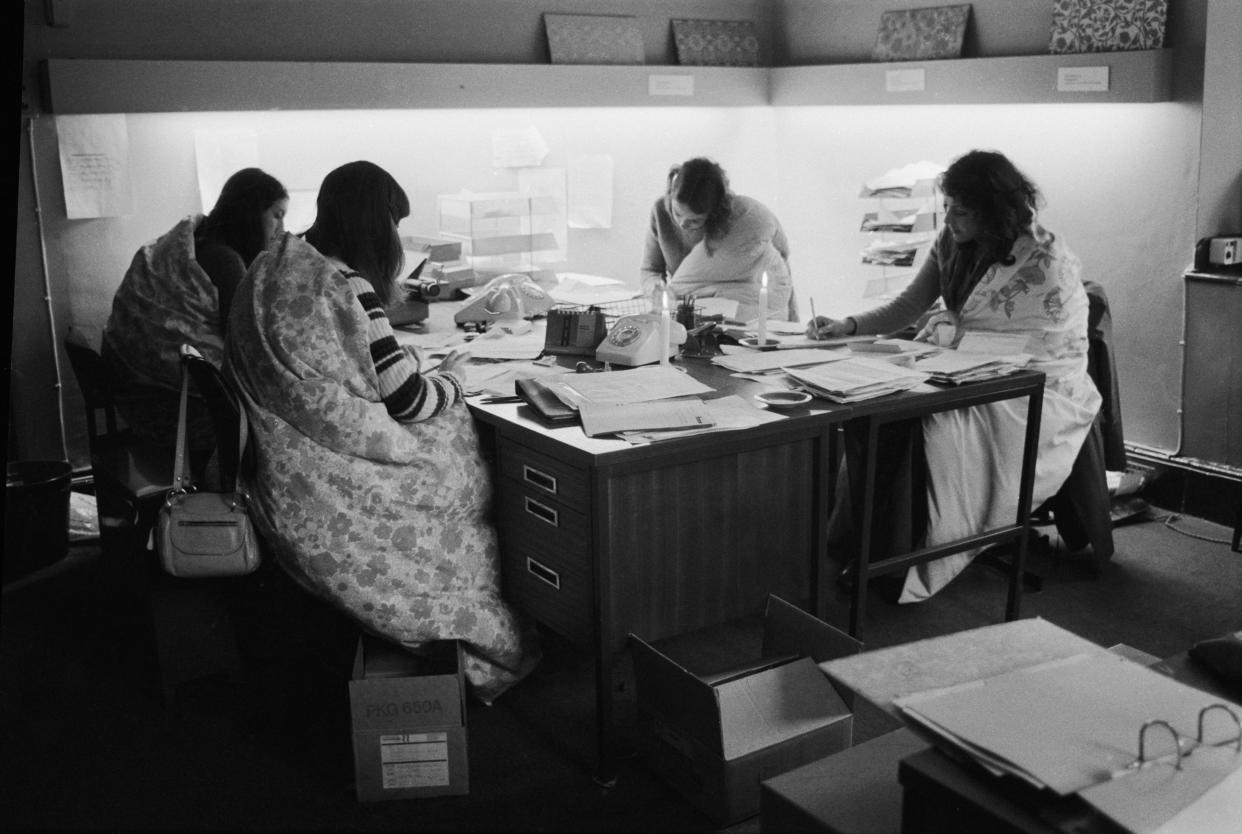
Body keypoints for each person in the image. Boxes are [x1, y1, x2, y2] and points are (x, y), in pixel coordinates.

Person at [223, 160, 539, 703]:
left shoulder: (276, 265)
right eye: (394, 224)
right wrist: (453, 381)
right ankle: (500, 625)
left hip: (274, 462)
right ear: (376, 224)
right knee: (463, 480)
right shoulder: (347, 285)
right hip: (326, 480)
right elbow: (409, 400)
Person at [806, 149, 1102, 602]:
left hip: (1035, 384)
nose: (950, 219)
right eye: (947, 207)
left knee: (928, 427)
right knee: (872, 408)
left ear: (994, 212)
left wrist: (965, 356)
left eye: (961, 211)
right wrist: (848, 326)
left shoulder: (1042, 257)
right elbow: (909, 305)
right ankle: (858, 547)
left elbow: (1051, 344)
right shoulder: (949, 242)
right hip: (958, 363)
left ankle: (893, 557)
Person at [102, 167, 289, 456]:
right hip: (179, 412)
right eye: (277, 215)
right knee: (285, 420)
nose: (282, 228)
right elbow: (243, 342)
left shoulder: (200, 243)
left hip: (139, 396)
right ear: (251, 213)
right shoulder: (225, 260)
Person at [641, 157, 797, 322]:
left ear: (713, 212)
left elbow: (781, 258)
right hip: (684, 307)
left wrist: (793, 319)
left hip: (733, 311)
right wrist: (657, 290)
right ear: (671, 193)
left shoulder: (739, 219)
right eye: (677, 213)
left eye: (695, 220)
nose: (683, 223)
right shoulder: (660, 211)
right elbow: (650, 269)